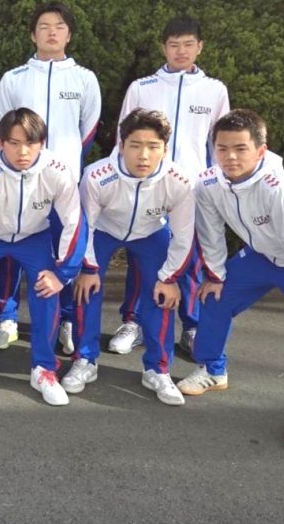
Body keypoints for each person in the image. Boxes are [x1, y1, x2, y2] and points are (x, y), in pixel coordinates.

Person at [178, 109, 284, 454]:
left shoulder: (281, 188)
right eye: (222, 148)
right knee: (214, 296)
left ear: (260, 150)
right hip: (264, 255)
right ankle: (213, 369)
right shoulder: (208, 183)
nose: (230, 157)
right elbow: (210, 233)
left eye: (240, 148)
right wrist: (215, 274)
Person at [110, 16, 230, 356]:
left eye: (188, 44)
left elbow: (219, 144)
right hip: (147, 187)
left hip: (191, 190)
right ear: (163, 47)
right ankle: (133, 322)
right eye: (174, 45)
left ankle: (191, 326)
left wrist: (217, 185)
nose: (181, 51)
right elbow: (122, 140)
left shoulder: (214, 90)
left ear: (200, 47)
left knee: (189, 258)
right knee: (142, 257)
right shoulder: (142, 87)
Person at [0, 108, 86, 405]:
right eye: (13, 143)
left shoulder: (57, 170)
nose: (23, 152)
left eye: (31, 143)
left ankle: (44, 369)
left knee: (47, 290)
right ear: (0, 143)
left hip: (33, 236)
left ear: (42, 143)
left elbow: (75, 221)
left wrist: (63, 274)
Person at [63, 109, 194, 405]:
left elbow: (184, 235)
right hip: (104, 230)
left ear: (165, 149)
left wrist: (170, 277)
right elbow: (84, 226)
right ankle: (85, 360)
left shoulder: (180, 181)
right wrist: (88, 268)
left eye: (153, 146)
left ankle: (158, 369)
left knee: (161, 295)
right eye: (135, 145)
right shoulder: (97, 175)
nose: (143, 155)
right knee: (86, 288)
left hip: (151, 231)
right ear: (121, 146)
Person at [0, 2, 100, 354]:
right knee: (13, 248)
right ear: (32, 34)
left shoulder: (84, 78)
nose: (52, 32)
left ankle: (65, 319)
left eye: (59, 26)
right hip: (18, 180)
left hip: (63, 183)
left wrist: (63, 164)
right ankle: (7, 316)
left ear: (69, 34)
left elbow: (88, 130)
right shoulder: (14, 78)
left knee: (63, 249)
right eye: (44, 26)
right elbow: (5, 128)